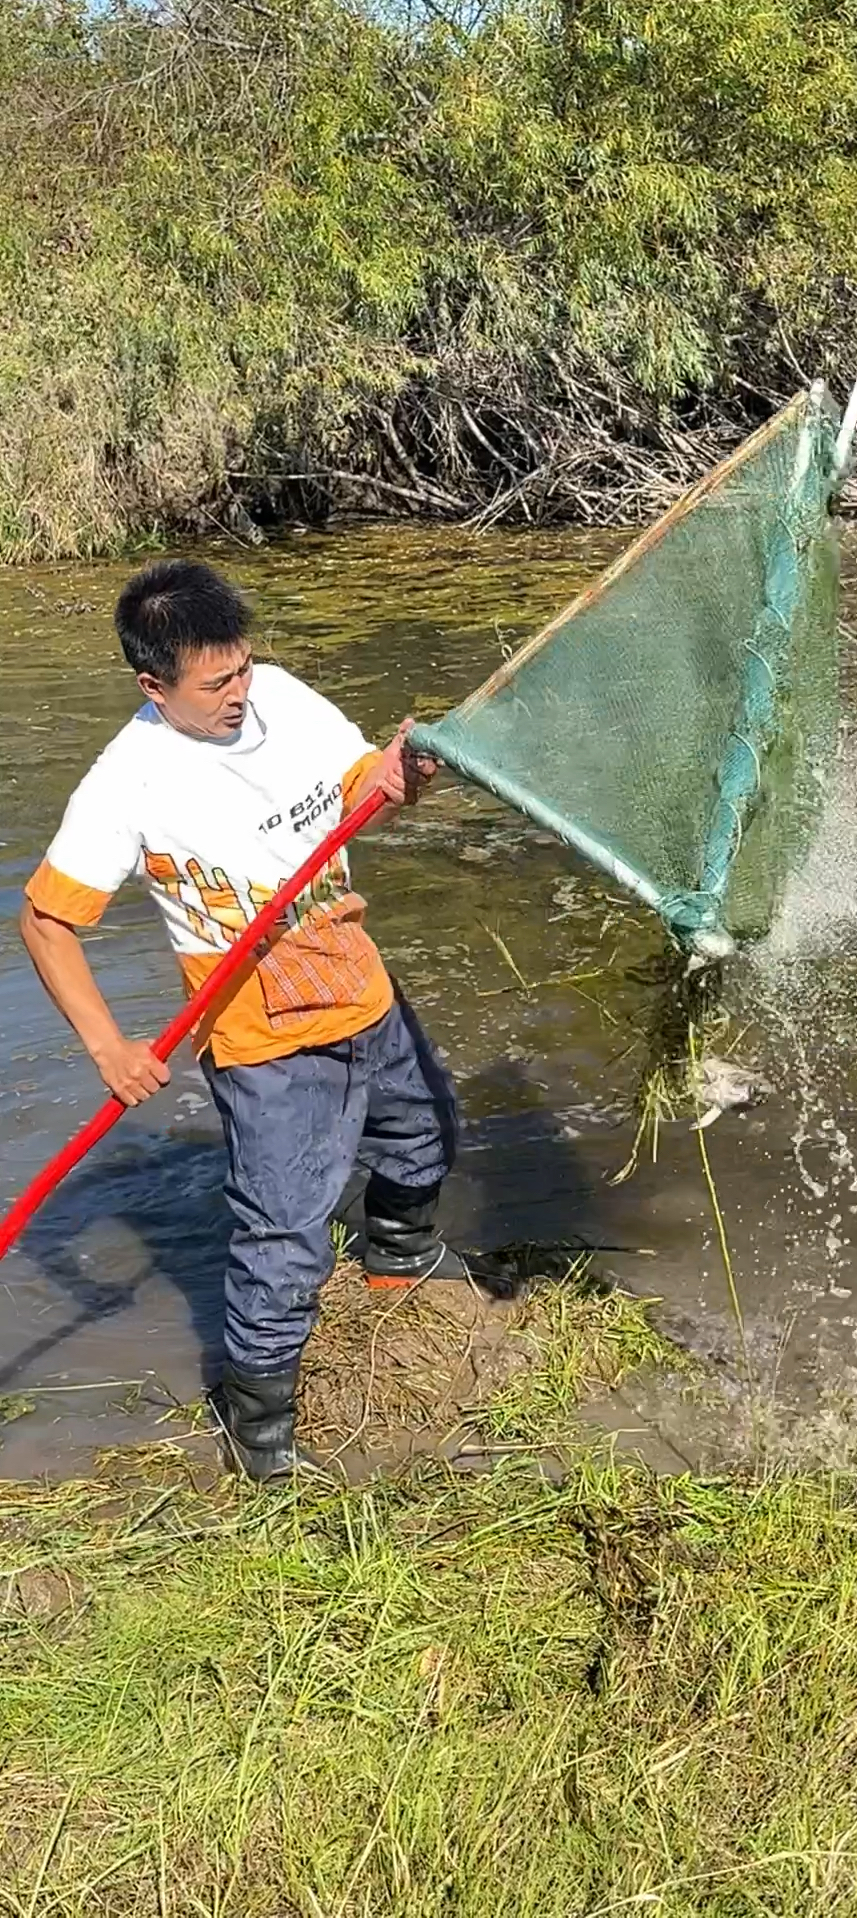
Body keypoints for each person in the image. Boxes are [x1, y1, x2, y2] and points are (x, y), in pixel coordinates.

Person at [20, 558, 502, 1482]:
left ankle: (400, 1257)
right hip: (263, 1034)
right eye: (215, 684)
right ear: (152, 686)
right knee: (285, 1235)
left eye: (241, 668)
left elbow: (364, 786)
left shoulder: (278, 693)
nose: (239, 694)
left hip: (351, 972)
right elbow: (46, 920)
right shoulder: (131, 779)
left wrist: (404, 775)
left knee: (426, 1127)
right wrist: (107, 1047)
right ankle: (260, 1425)